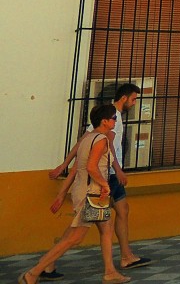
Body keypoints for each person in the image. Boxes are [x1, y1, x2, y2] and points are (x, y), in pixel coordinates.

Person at [20, 105, 130, 284]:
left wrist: (62, 194)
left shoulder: (88, 139)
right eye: (113, 118)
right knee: (75, 237)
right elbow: (91, 168)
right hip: (91, 193)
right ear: (104, 121)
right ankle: (34, 272)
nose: (115, 121)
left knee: (106, 228)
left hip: (86, 191)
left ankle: (110, 272)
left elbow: (75, 170)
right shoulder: (101, 140)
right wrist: (104, 185)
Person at [50, 83, 151, 271]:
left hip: (108, 174)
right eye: (134, 99)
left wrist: (64, 165)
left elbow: (82, 141)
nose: (135, 103)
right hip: (109, 175)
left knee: (120, 212)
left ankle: (124, 256)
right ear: (124, 98)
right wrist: (118, 169)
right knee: (81, 228)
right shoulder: (113, 118)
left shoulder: (107, 116)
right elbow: (108, 144)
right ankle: (46, 265)